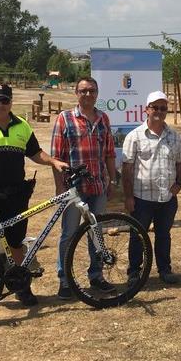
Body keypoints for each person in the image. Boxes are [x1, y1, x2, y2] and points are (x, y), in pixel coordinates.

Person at [0, 83, 68, 313]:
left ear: (11, 102)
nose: (0, 105)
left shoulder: (22, 126)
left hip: (15, 194)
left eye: (4, 100)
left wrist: (53, 161)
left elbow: (35, 153)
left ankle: (20, 285)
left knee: (16, 241)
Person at [51, 77, 117, 299]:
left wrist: (112, 180)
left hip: (98, 186)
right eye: (83, 91)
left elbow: (109, 153)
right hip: (73, 190)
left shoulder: (103, 118)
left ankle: (96, 276)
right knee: (69, 234)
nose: (88, 94)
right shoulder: (65, 118)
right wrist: (59, 187)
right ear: (76, 93)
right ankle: (65, 279)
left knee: (96, 233)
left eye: (92, 90)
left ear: (97, 93)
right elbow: (56, 157)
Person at [122, 91, 181, 284]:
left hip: (166, 198)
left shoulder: (174, 136)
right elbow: (127, 168)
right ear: (147, 110)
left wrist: (179, 184)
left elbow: (180, 162)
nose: (159, 111)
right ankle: (134, 272)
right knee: (137, 236)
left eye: (163, 108)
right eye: (155, 107)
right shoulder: (134, 136)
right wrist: (128, 197)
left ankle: (165, 270)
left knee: (164, 236)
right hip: (141, 198)